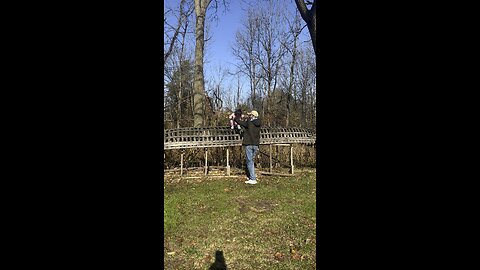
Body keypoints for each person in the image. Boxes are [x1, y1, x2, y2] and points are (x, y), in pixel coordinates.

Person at [234, 110, 261, 184]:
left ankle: (252, 178)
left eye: (250, 115)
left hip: (249, 144)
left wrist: (235, 118)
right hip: (256, 144)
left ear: (252, 116)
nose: (249, 116)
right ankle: (252, 176)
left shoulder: (249, 123)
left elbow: (240, 122)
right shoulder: (258, 123)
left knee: (249, 162)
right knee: (252, 161)